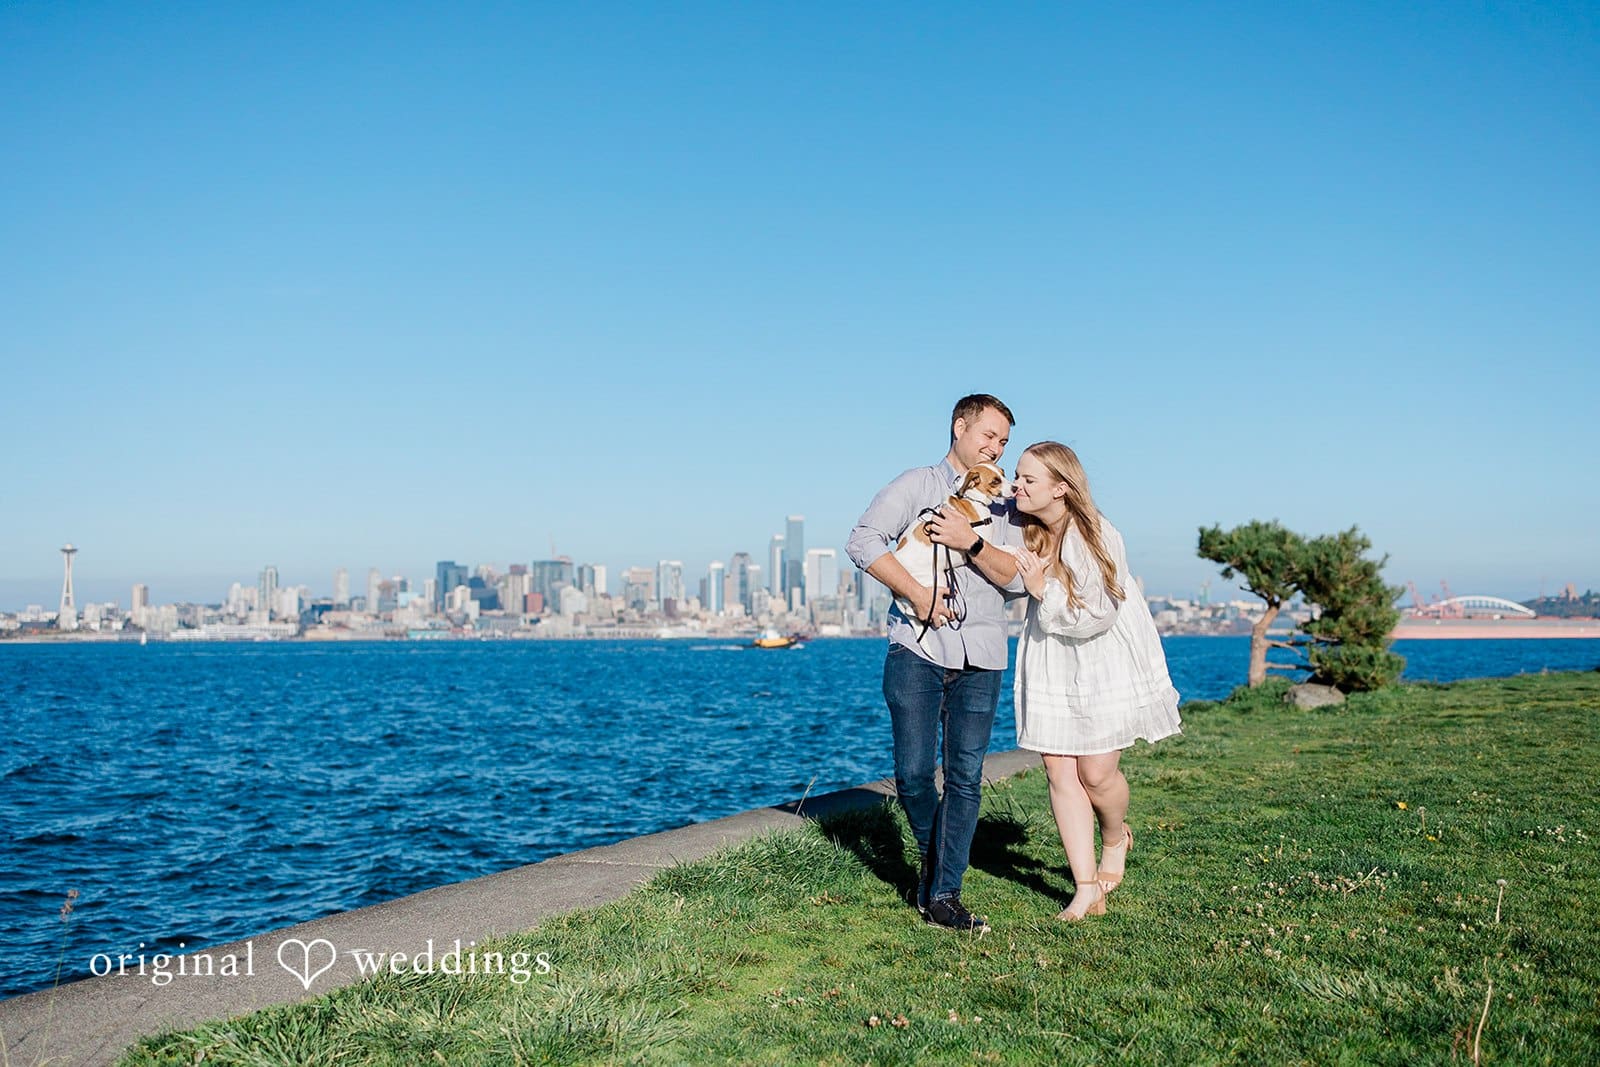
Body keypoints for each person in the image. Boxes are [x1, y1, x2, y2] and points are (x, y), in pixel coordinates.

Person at [845, 394, 1023, 932]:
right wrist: (918, 593)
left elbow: (1017, 579)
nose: (996, 448)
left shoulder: (1009, 505)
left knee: (966, 777)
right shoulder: (916, 485)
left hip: (983, 653)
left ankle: (944, 893)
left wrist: (970, 543)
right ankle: (934, 862)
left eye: (1003, 443)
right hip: (916, 648)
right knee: (915, 775)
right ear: (959, 426)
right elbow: (861, 541)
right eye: (989, 436)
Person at [1005, 441, 1182, 921]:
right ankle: (1085, 889)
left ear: (1061, 488)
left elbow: (1098, 614)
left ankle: (1114, 835)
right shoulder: (1023, 528)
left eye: (1027, 479)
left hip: (1103, 659)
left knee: (1096, 774)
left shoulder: (1097, 533)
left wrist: (1041, 590)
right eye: (1016, 476)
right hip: (1052, 658)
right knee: (1059, 771)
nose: (1014, 484)